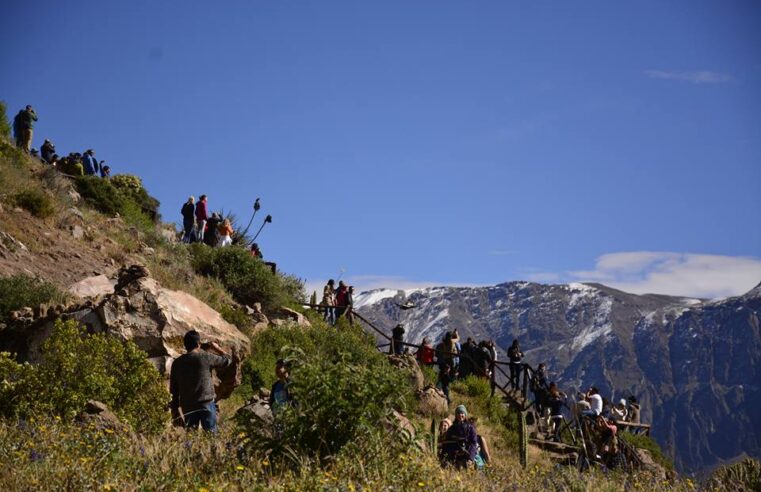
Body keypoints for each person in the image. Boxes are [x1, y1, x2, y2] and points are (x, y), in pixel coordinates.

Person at [169, 330, 231, 432]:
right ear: (198, 344)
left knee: (191, 436)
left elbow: (174, 389)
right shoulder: (205, 357)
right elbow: (227, 360)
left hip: (188, 404)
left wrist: (174, 409)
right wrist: (217, 348)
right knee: (211, 436)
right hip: (206, 402)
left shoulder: (177, 363)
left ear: (185, 345)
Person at [441, 405, 478, 470]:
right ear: (455, 415)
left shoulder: (470, 428)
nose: (460, 415)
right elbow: (447, 444)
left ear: (465, 414)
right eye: (458, 413)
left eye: (462, 413)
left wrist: (471, 458)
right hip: (454, 457)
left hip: (467, 455)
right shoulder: (452, 428)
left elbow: (473, 443)